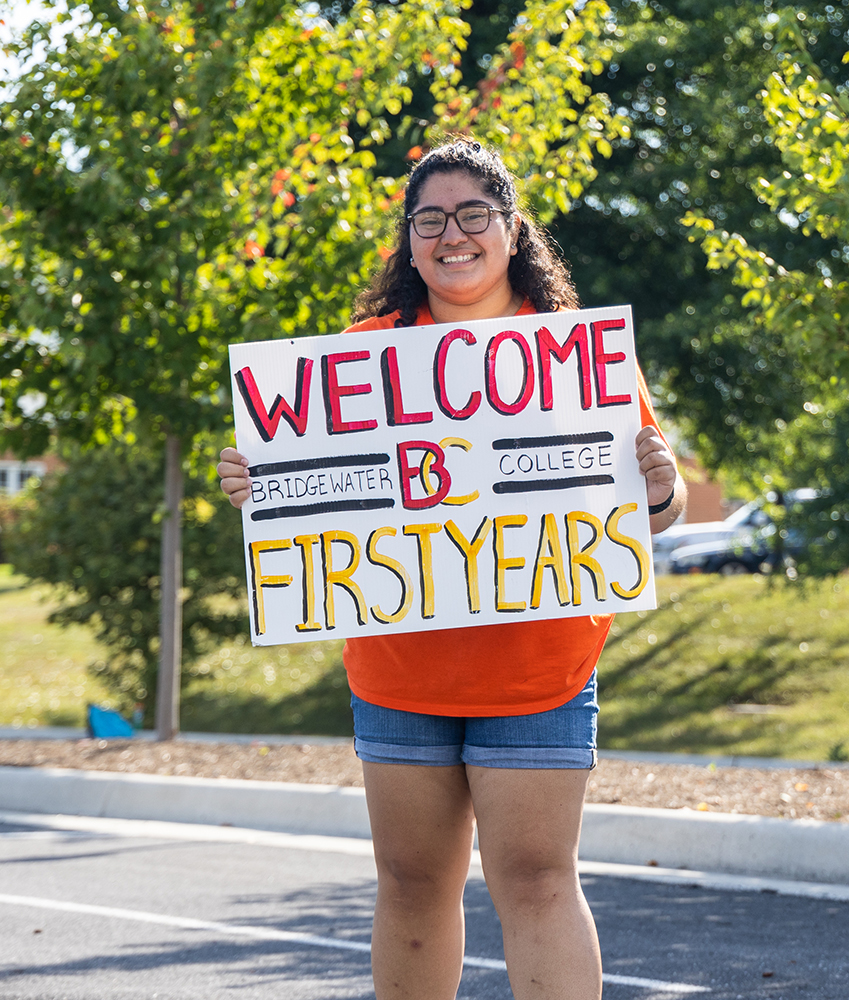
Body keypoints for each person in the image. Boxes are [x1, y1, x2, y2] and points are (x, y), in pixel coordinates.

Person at [217, 138, 683, 1000]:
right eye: (429, 220)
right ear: (409, 241)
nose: (452, 235)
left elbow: (649, 508)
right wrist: (265, 488)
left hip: (537, 670)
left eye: (474, 215)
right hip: (401, 669)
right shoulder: (354, 356)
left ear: (512, 232)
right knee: (409, 884)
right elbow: (318, 494)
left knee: (540, 883)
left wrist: (665, 492)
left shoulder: (576, 357)